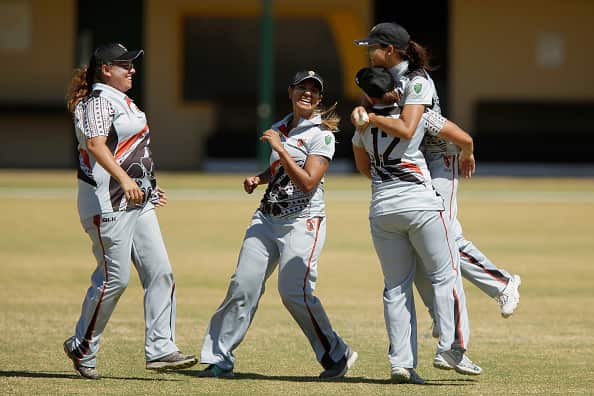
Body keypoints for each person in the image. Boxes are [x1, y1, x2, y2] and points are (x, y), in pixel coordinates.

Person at [353, 22, 520, 330]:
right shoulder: (386, 80)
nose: (368, 55)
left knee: (446, 238)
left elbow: (428, 124)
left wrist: (466, 146)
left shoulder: (416, 81)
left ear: (389, 50)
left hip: (438, 161)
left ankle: (503, 282)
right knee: (419, 245)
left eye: (372, 48)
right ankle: (441, 316)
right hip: (414, 166)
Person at [197, 70, 357, 379]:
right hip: (267, 217)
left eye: (314, 89)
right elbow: (280, 171)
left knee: (293, 291)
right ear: (290, 92)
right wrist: (260, 177)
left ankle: (337, 354)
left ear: (319, 98)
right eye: (302, 87)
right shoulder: (279, 127)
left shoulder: (321, 134)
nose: (307, 93)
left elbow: (308, 182)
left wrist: (281, 149)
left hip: (302, 221)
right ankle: (219, 359)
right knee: (242, 284)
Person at [63, 43, 197, 380]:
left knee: (161, 272)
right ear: (106, 69)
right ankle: (83, 345)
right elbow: (95, 145)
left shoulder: (124, 101)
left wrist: (147, 186)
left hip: (135, 201)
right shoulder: (95, 102)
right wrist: (124, 180)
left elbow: (130, 150)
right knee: (114, 279)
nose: (133, 70)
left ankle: (161, 348)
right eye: (126, 65)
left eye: (132, 64)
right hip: (106, 201)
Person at [351, 67, 479, 384]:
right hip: (421, 204)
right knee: (445, 274)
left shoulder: (360, 125)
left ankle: (401, 363)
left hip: (382, 209)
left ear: (368, 96)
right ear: (397, 89)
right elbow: (463, 138)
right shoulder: (418, 116)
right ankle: (450, 347)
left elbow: (362, 167)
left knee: (395, 287)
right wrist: (466, 152)